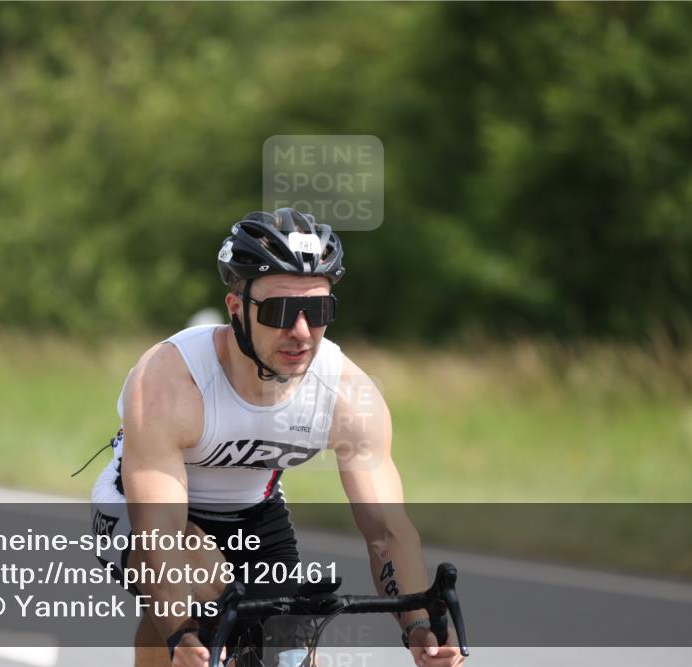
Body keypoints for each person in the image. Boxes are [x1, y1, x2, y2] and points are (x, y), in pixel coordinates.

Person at [91, 208, 464, 667]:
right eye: (280, 311)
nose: (301, 332)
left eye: (318, 311)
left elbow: (387, 531)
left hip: (256, 515)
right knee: (206, 599)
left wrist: (420, 628)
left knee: (287, 649)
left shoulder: (348, 394)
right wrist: (181, 631)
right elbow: (161, 533)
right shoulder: (171, 380)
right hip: (146, 513)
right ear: (236, 309)